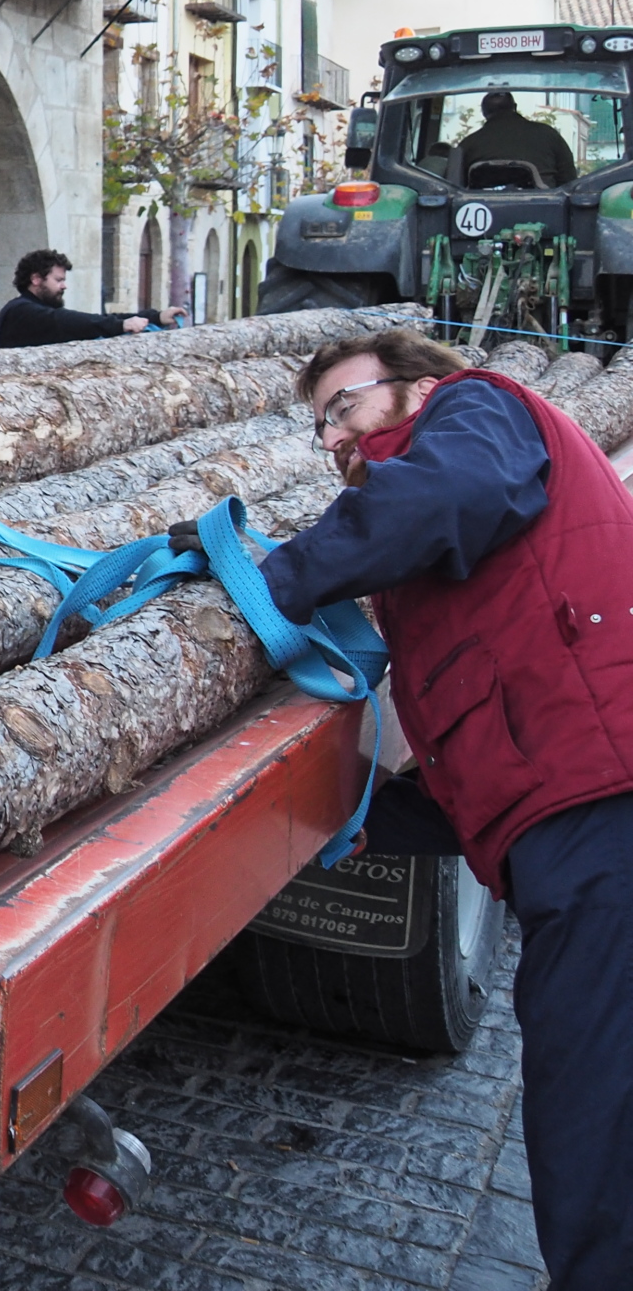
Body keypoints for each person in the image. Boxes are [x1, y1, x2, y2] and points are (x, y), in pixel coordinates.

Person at [193, 328, 633, 1291]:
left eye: (343, 406)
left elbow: (439, 498)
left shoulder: (478, 408)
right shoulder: (442, 538)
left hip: (607, 811)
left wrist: (271, 581)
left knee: (594, 1115)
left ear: (420, 385)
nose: (332, 438)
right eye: (320, 427)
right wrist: (351, 820)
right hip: (579, 811)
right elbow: (487, 741)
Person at [0, 249, 182, 348]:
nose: (64, 286)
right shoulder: (20, 311)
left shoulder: (37, 309)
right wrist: (120, 326)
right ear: (36, 279)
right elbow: (69, 321)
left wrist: (156, 317)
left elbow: (93, 319)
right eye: (58, 280)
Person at [449, 89, 578, 189]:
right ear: (515, 107)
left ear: (484, 112)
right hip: (547, 209)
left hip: (480, 210)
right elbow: (569, 182)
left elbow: (454, 187)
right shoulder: (549, 134)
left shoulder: (467, 144)